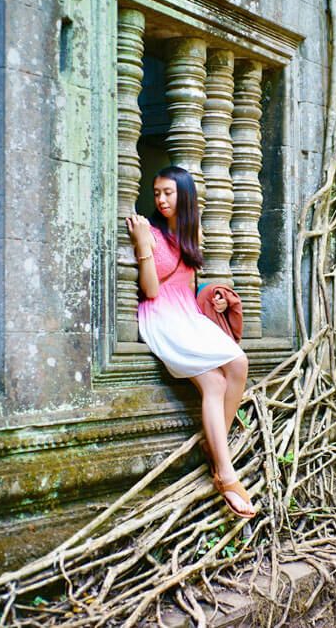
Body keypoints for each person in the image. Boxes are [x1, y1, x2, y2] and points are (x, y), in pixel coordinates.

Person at [126, 166, 255, 518]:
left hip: (187, 313)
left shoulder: (189, 232)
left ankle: (216, 451)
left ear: (185, 195)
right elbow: (151, 290)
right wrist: (142, 244)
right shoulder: (149, 232)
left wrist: (214, 297)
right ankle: (225, 473)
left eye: (168, 192)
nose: (161, 200)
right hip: (161, 316)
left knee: (236, 365)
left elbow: (187, 280)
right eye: (156, 193)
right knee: (215, 380)